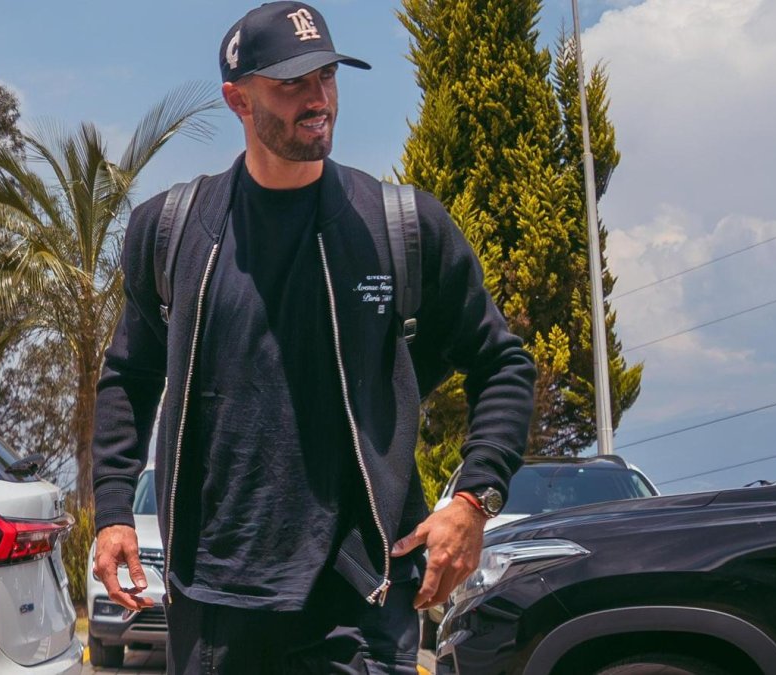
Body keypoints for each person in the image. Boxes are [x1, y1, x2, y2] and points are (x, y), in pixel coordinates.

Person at [90, 2, 536, 672]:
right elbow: (129, 374)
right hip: (212, 598)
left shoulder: (398, 228)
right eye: (292, 84)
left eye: (326, 76)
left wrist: (473, 499)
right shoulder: (173, 232)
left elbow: (502, 364)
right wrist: (114, 509)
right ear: (238, 99)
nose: (317, 99)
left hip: (358, 596)